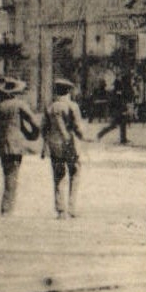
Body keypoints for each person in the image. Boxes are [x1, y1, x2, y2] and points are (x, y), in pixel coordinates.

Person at [0, 75, 41, 215]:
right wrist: (32, 135)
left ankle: (6, 206)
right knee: (12, 175)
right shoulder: (20, 105)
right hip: (16, 145)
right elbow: (35, 123)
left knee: (7, 174)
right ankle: (7, 208)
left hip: (1, 144)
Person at [41, 77, 85, 219]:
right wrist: (83, 136)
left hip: (55, 146)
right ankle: (72, 208)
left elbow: (43, 128)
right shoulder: (72, 106)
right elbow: (78, 128)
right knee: (75, 174)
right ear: (68, 91)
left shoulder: (50, 107)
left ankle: (60, 210)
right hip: (70, 145)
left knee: (58, 176)